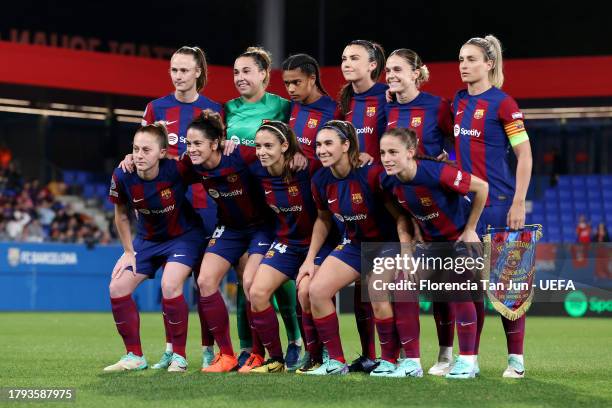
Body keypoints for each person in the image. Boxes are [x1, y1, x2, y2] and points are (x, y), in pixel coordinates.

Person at [297, 120, 409, 376]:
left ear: (346, 145)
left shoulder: (371, 174)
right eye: (318, 145)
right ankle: (336, 362)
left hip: (386, 244)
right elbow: (324, 219)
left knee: (376, 291)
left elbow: (402, 216)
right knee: (316, 290)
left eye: (328, 143)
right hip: (354, 245)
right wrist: (310, 259)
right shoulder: (320, 180)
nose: (321, 150)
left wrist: (405, 251)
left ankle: (389, 361)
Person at [379, 127, 489, 378]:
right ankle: (411, 364)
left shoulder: (438, 173)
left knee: (458, 286)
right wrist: (408, 249)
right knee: (402, 284)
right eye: (383, 152)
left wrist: (471, 228)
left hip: (461, 237)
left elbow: (482, 187)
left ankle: (469, 361)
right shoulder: (388, 180)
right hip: (431, 244)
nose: (386, 158)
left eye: (393, 152)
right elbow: (403, 215)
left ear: (410, 152)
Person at [454, 34, 533, 378]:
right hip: (463, 208)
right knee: (464, 285)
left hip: (499, 205)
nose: (464, 66)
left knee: (507, 285)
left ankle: (516, 359)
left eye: (471, 59)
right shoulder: (456, 102)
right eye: (460, 59)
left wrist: (519, 202)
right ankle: (468, 360)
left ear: (489, 64)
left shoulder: (504, 103)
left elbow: (525, 155)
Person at [141, 46, 223, 370]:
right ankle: (171, 349)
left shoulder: (213, 111)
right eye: (174, 70)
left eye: (184, 70)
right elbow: (141, 149)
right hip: (168, 210)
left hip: (206, 208)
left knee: (204, 281)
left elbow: (220, 156)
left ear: (198, 72)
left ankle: (207, 348)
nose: (178, 76)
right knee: (170, 284)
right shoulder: (155, 108)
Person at [104, 123, 207, 373]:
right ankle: (135, 356)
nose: (139, 155)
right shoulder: (122, 175)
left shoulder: (178, 169)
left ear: (162, 153)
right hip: (147, 240)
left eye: (146, 150)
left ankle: (179, 357)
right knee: (117, 286)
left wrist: (223, 144)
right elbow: (121, 215)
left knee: (170, 285)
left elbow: (209, 163)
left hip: (183, 236)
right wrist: (128, 252)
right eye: (136, 149)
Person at [225, 47, 303, 369]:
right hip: (243, 205)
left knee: (278, 277)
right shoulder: (227, 109)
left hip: (278, 201)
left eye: (247, 71)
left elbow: (297, 139)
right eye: (235, 72)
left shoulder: (283, 106)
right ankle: (250, 348)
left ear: (263, 75)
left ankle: (295, 341)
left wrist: (300, 155)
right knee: (246, 277)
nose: (240, 78)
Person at [384, 48, 457, 375]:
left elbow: (457, 144)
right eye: (388, 71)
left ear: (417, 72)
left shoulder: (438, 106)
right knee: (403, 281)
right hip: (404, 203)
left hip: (441, 204)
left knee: (447, 286)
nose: (392, 76)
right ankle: (405, 357)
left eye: (398, 69)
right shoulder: (388, 106)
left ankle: (448, 354)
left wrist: (450, 162)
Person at [243, 121, 334, 373]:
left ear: (285, 146)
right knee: (257, 292)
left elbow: (323, 214)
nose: (261, 151)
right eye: (258, 145)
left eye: (268, 146)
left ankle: (316, 355)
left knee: (305, 292)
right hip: (285, 243)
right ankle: (276, 360)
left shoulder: (307, 169)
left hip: (317, 244)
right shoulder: (256, 171)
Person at [336, 40, 389, 371]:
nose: (346, 63)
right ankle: (368, 354)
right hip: (350, 200)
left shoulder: (386, 96)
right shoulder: (343, 102)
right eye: (343, 58)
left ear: (372, 65)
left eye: (354, 58)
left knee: (378, 283)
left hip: (381, 198)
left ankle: (395, 355)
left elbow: (398, 139)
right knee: (360, 282)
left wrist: (377, 161)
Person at [282, 53, 337, 163]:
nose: (291, 89)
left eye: (297, 82)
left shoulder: (335, 111)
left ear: (312, 79)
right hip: (290, 177)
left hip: (318, 178)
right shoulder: (291, 105)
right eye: (287, 83)